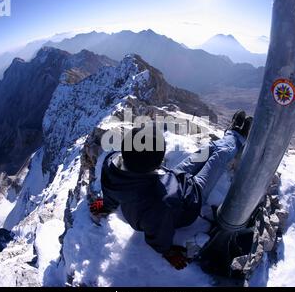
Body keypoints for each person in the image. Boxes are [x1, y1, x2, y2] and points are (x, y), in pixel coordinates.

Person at [90, 111, 252, 270]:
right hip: (191, 197)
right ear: (156, 165)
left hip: (172, 179)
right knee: (219, 156)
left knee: (207, 150)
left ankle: (229, 136)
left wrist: (105, 205)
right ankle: (236, 137)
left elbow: (111, 189)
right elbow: (158, 233)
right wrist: (167, 251)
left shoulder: (112, 165)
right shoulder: (158, 202)